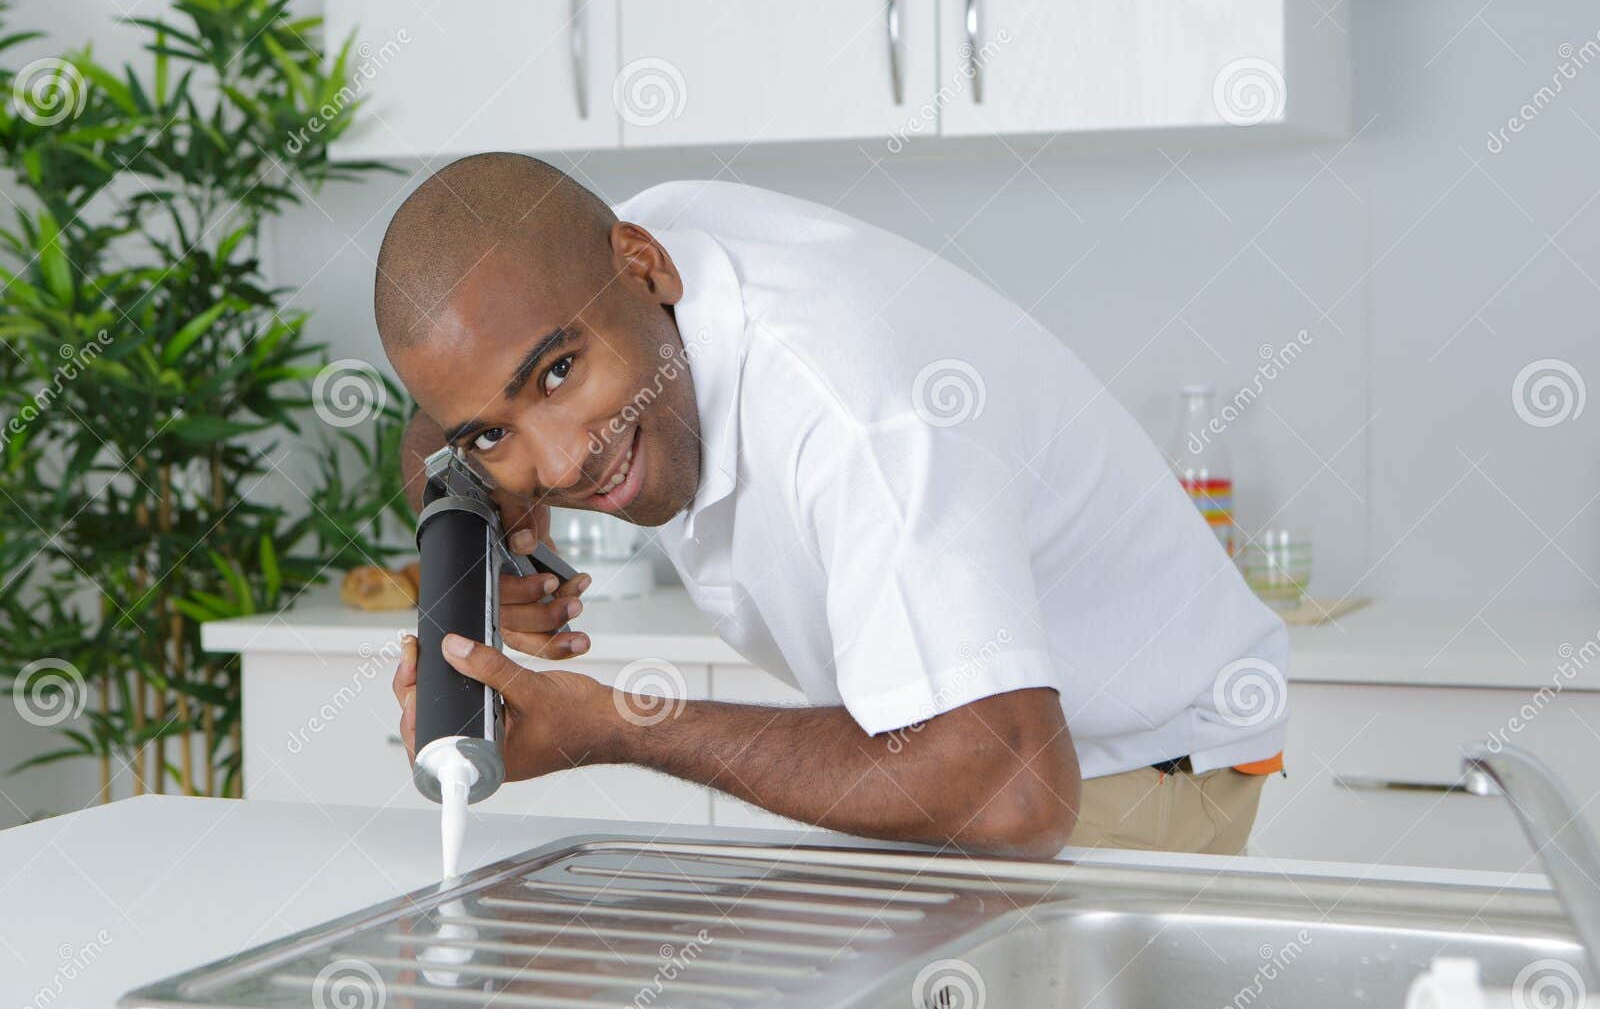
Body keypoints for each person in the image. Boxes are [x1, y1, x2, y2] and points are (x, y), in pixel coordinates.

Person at [379, 152, 1288, 858]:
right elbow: (437, 424)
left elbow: (1014, 791)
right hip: (972, 758)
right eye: (494, 433)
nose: (562, 460)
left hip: (1120, 773)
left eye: (559, 374)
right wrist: (482, 533)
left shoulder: (862, 415)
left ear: (645, 268)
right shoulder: (592, 266)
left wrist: (615, 724)